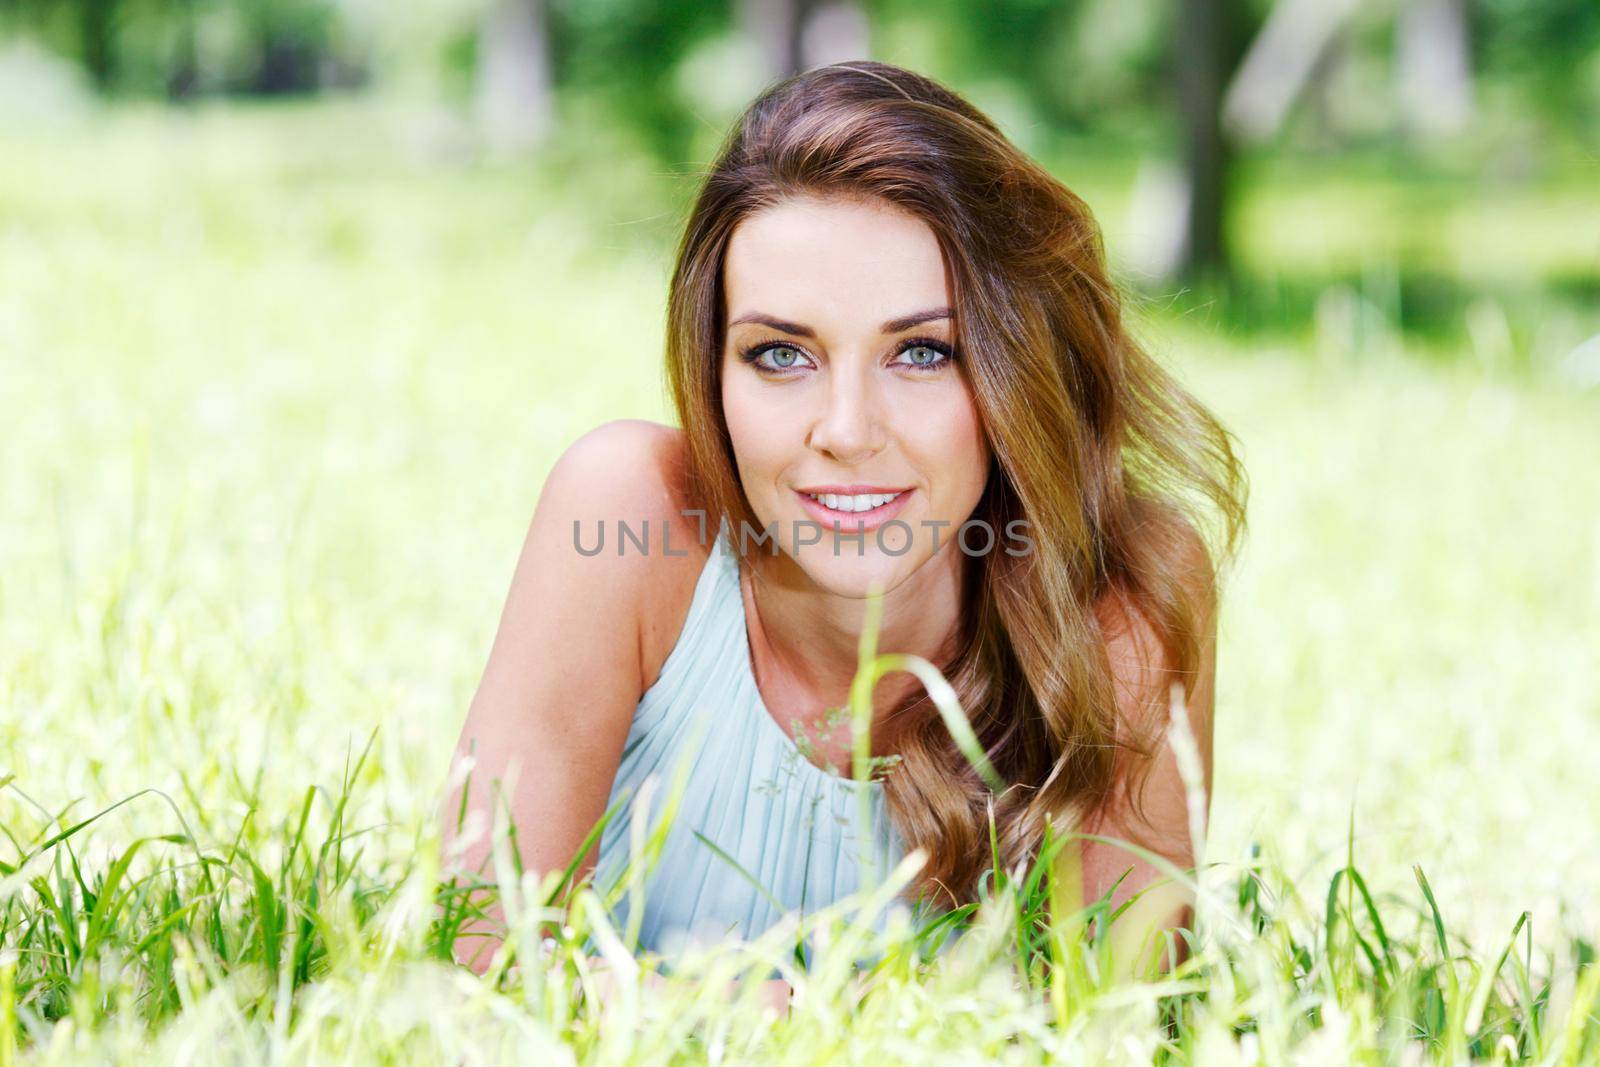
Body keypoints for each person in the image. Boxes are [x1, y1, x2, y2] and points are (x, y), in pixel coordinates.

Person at [440, 60, 1246, 995]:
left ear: (1014, 370)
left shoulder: (1124, 597)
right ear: (713, 371)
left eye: (921, 352)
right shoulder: (629, 513)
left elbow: (1117, 1022)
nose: (847, 431)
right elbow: (473, 971)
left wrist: (686, 1013)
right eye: (782, 354)